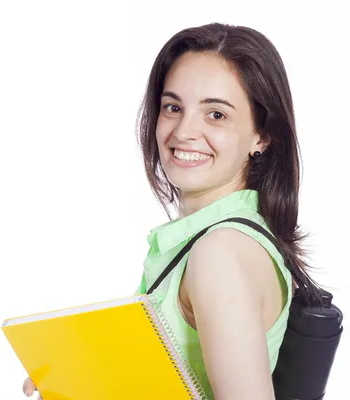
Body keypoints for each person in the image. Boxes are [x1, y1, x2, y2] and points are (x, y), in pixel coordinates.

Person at [24, 22, 316, 399]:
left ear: (260, 135)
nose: (183, 131)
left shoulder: (219, 253)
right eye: (173, 107)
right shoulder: (217, 239)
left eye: (216, 115)